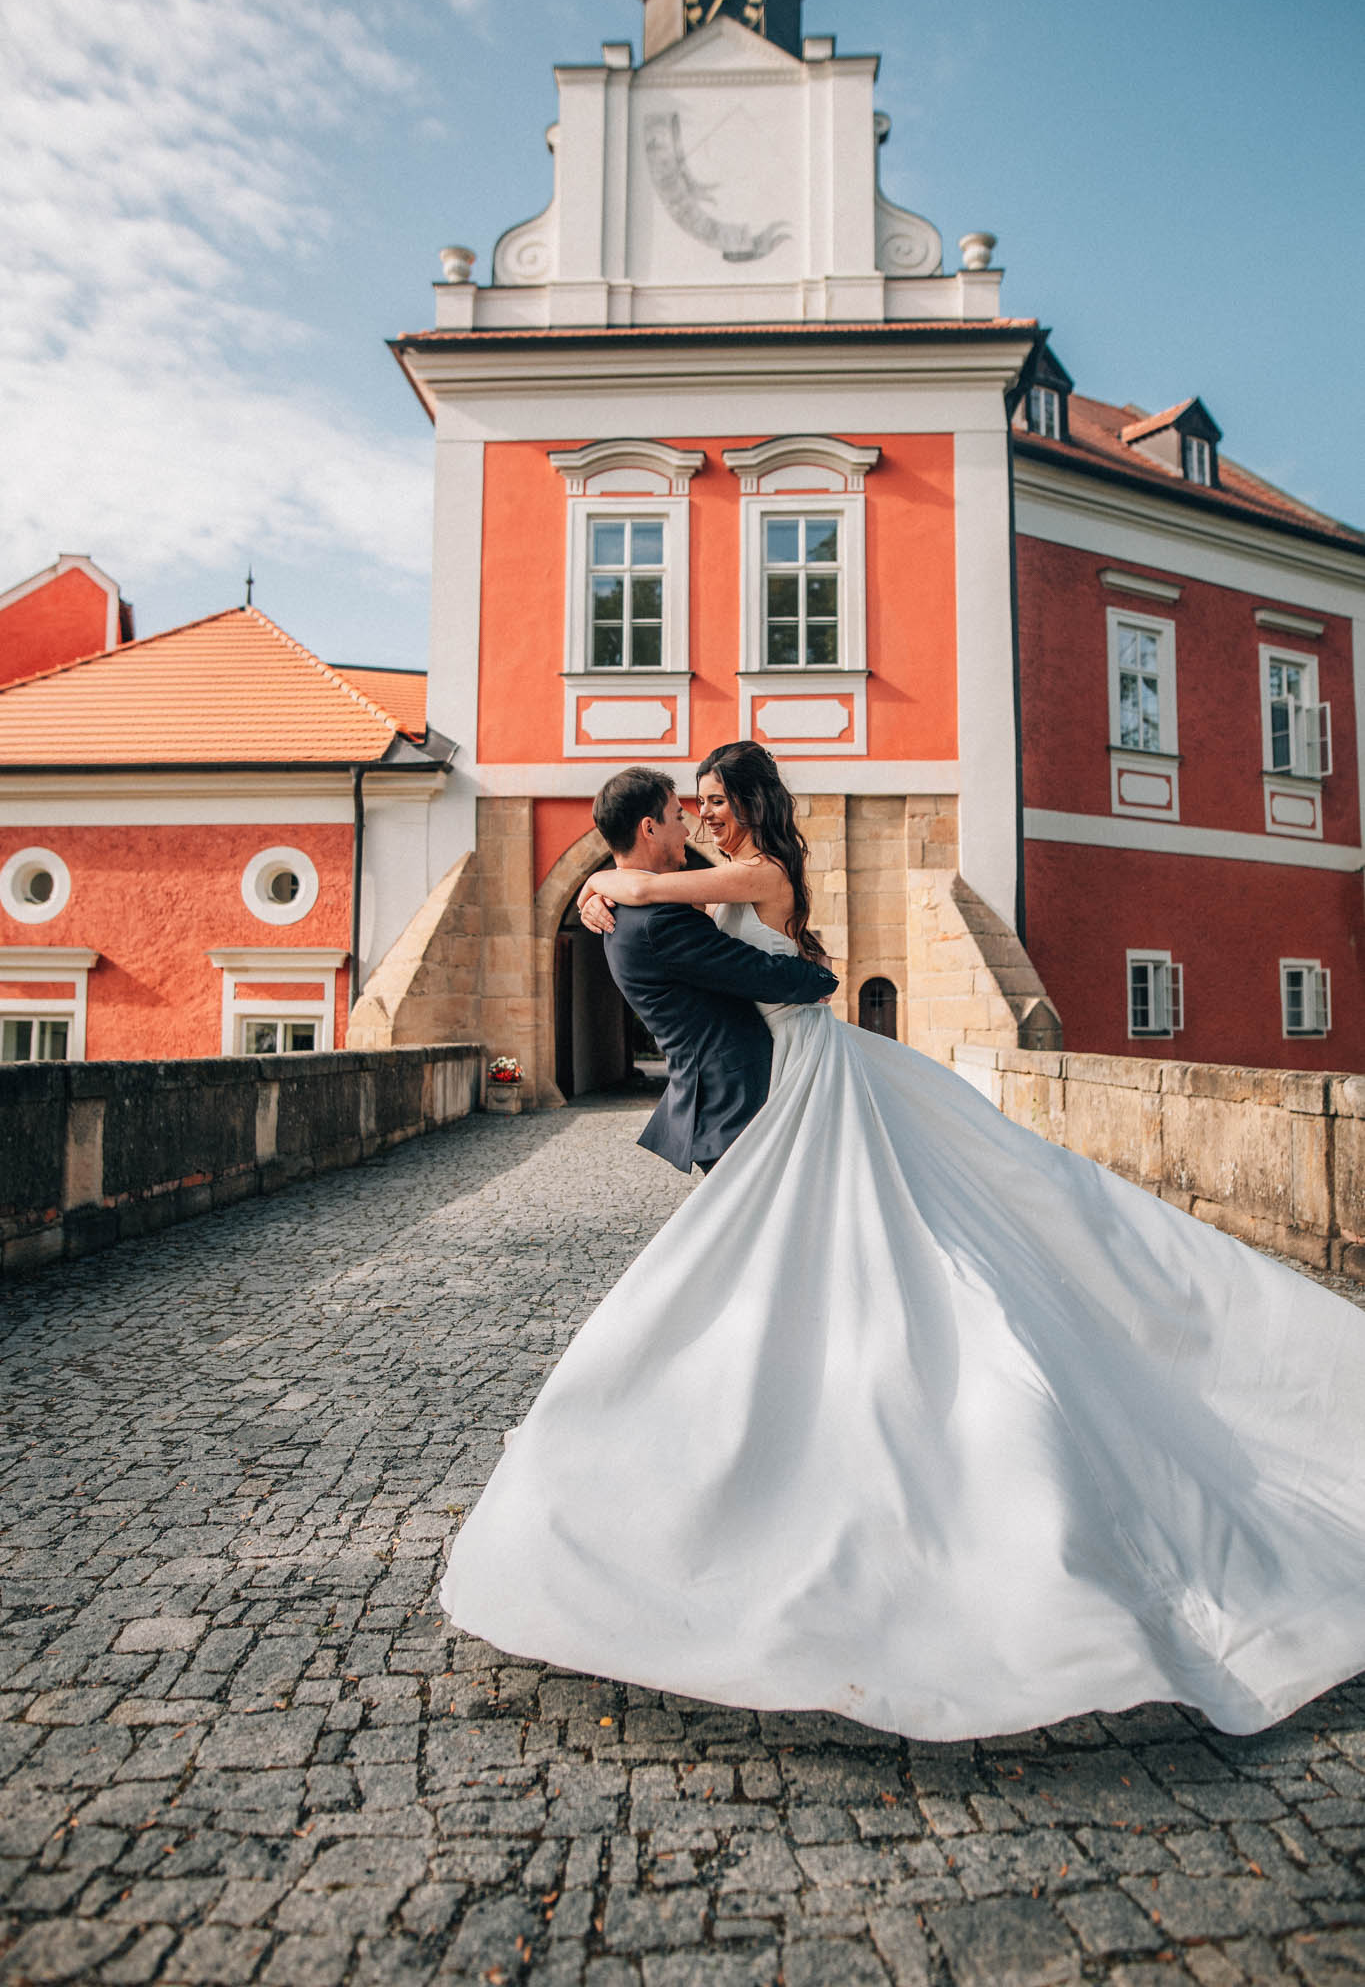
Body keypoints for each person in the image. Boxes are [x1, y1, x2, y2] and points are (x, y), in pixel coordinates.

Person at [441, 741, 1365, 1741]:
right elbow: (659, 898)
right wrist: (604, 893)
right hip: (790, 1086)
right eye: (692, 803)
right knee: (857, 1259)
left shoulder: (761, 873)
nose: (705, 814)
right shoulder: (690, 883)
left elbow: (733, 934)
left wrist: (607, 887)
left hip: (810, 1079)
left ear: (746, 801)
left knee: (922, 1245)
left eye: (716, 798)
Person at [584, 765, 838, 1175]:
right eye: (680, 815)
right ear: (649, 828)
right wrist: (822, 978)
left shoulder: (633, 910)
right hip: (733, 1095)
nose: (691, 827)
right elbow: (751, 970)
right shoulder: (656, 920)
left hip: (751, 1081)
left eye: (714, 802)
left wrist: (593, 886)